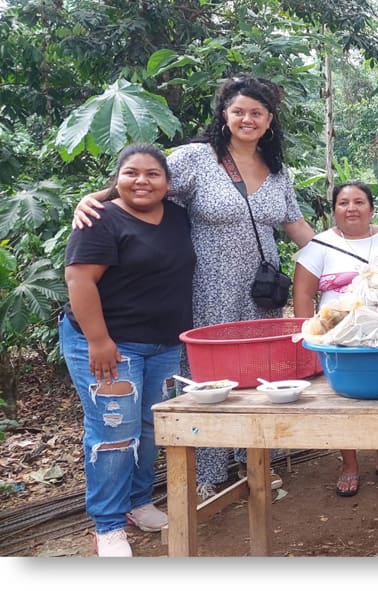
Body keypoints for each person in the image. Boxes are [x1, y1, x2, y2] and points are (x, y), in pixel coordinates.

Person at [73, 75, 317, 500]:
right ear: (224, 115)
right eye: (238, 110)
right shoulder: (196, 158)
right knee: (208, 375)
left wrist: (347, 256)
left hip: (260, 293)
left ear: (269, 120)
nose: (247, 119)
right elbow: (143, 179)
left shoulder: (278, 171)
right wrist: (96, 197)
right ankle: (208, 472)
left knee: (259, 371)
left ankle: (255, 460)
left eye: (256, 113)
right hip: (207, 286)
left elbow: (295, 225)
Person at [60, 144, 196, 556]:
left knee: (153, 426)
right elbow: (79, 279)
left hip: (164, 345)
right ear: (116, 179)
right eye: (131, 173)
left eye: (153, 174)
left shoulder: (177, 215)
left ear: (168, 184)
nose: (142, 181)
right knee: (114, 434)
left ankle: (138, 502)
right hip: (108, 345)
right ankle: (108, 524)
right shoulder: (98, 219)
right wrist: (99, 340)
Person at [293, 181, 378, 496]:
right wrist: (310, 337)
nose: (352, 208)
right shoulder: (317, 246)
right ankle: (349, 463)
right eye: (344, 203)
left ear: (372, 208)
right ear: (334, 210)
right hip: (339, 339)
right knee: (342, 401)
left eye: (359, 202)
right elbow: (303, 296)